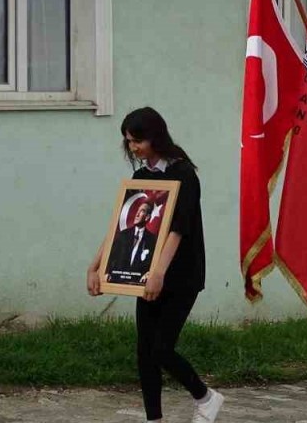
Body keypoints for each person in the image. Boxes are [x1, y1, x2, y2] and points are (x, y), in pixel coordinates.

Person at [87, 108, 223, 423]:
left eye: (137, 141)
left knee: (162, 348)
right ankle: (154, 419)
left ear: (155, 137)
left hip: (180, 276)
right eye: (128, 142)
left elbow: (177, 229)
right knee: (144, 352)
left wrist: (159, 273)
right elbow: (121, 227)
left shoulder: (184, 174)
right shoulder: (142, 177)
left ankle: (206, 397)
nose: (132, 147)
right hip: (145, 276)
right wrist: (94, 266)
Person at [106, 200, 159, 284]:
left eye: (142, 211)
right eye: (137, 210)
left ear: (147, 217)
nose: (137, 214)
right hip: (118, 281)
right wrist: (108, 272)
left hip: (139, 283)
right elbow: (112, 257)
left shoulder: (152, 240)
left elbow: (153, 263)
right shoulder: (123, 235)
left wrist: (149, 274)